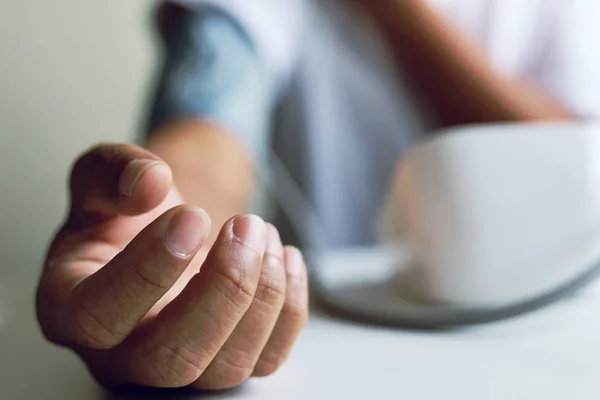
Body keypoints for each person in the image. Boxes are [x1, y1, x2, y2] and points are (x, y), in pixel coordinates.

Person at [35, 0, 600, 391]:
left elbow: (574, 157)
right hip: (342, 350)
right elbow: (212, 108)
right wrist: (170, 220)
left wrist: (398, 15)